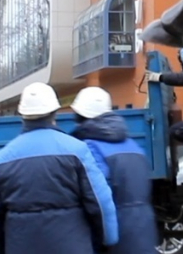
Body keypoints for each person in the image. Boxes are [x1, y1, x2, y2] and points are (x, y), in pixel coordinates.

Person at [0, 82, 119, 254]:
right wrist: (107, 241)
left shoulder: (1, 160)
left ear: (22, 115)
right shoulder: (77, 151)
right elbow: (100, 203)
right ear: (54, 113)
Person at [70, 86, 158, 254]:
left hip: (115, 234)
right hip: (143, 229)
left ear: (82, 116)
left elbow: (95, 197)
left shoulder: (89, 147)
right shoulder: (132, 145)